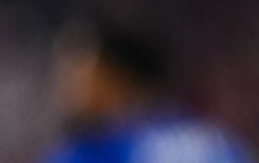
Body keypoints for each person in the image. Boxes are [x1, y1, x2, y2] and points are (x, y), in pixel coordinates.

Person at [44, 15, 252, 163]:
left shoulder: (104, 152)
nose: (65, 80)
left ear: (114, 75)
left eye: (77, 65)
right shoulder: (214, 142)